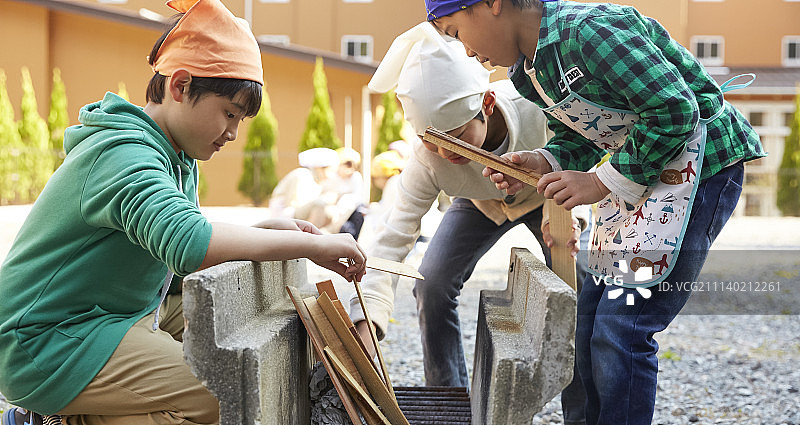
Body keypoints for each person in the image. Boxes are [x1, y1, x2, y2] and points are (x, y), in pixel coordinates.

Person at [0, 1, 366, 424]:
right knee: (226, 388)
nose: (232, 133)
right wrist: (308, 246)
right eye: (229, 113)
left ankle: (63, 414)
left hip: (119, 314)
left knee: (222, 346)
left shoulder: (177, 155)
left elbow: (185, 238)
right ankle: (51, 415)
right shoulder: (123, 154)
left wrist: (268, 229)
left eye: (241, 120)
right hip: (48, 339)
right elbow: (190, 243)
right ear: (180, 85)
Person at [426, 0, 766, 423]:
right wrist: (545, 161)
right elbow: (589, 133)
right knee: (585, 323)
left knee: (623, 326)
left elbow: (675, 111)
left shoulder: (588, 33)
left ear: (492, 4)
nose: (466, 51)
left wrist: (598, 183)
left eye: (456, 32)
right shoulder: (529, 72)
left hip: (700, 168)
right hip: (644, 170)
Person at [351, 22, 588, 422]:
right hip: (479, 205)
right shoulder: (427, 161)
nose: (446, 153)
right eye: (433, 142)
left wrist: (569, 214)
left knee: (579, 285)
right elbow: (393, 238)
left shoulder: (537, 110)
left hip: (545, 197)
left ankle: (582, 411)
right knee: (434, 281)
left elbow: (580, 157)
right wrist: (368, 317)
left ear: (488, 104)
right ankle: (448, 399)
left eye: (459, 137)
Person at [269, 147, 339, 227]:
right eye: (331, 171)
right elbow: (293, 204)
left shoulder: (317, 181)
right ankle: (309, 236)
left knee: (330, 211)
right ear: (319, 168)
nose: (331, 176)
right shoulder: (302, 175)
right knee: (320, 204)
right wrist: (324, 199)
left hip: (294, 214)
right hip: (284, 215)